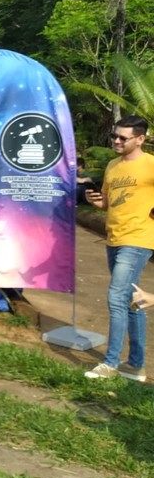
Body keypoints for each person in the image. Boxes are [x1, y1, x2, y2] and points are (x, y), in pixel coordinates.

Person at [83, 115, 154, 382]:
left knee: (115, 297)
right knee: (131, 300)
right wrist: (94, 200)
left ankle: (110, 363)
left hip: (139, 240)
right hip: (114, 237)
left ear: (140, 139)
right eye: (115, 136)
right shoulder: (113, 166)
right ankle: (135, 365)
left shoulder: (150, 165)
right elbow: (108, 205)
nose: (116, 141)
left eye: (123, 138)